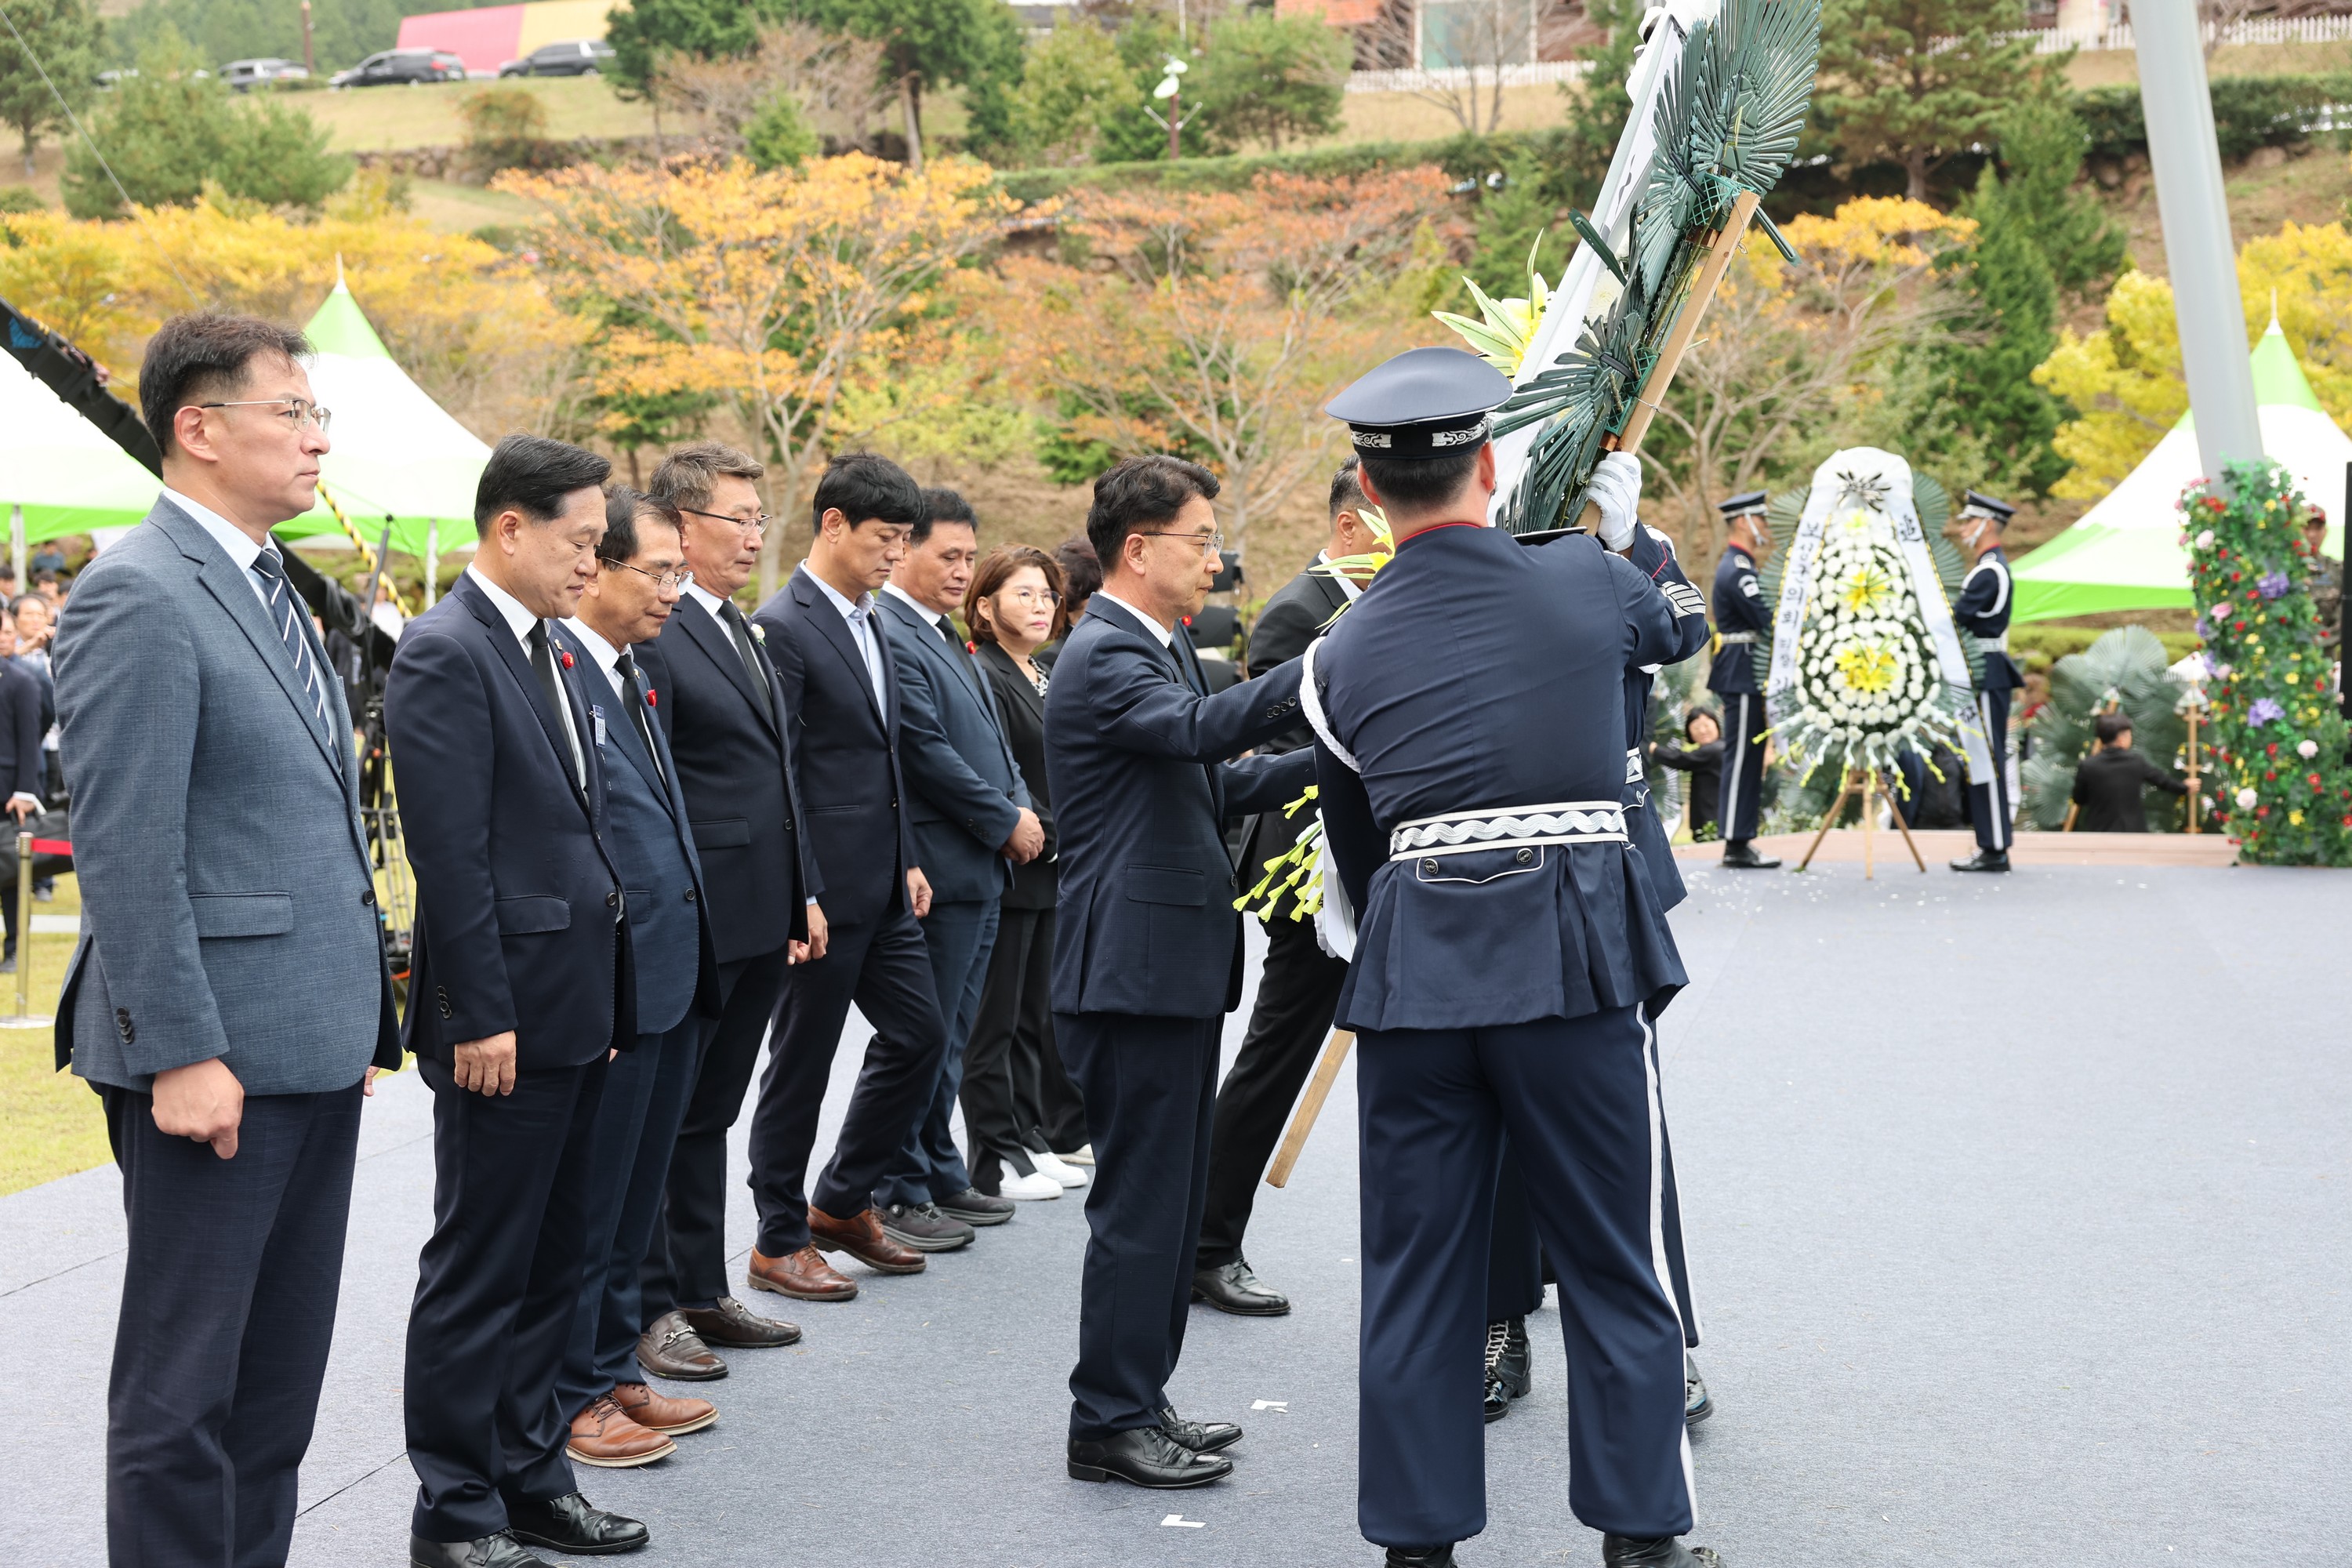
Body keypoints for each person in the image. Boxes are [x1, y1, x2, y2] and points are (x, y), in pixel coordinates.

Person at [1309, 347, 1713, 1568]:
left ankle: (1418, 1548)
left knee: (1418, 1270)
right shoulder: (1588, 577)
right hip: (1569, 962)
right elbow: (1677, 628)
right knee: (1606, 1252)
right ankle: (1641, 1539)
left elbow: (1358, 842)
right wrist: (1629, 529)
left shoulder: (1338, 654)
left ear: (1372, 496)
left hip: (1421, 974)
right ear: (1490, 467)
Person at [54, 311, 400, 1568]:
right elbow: (128, 852)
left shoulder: (261, 580)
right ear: (199, 430)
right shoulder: (139, 591)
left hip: (306, 1044)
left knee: (273, 1396)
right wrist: (182, 1053)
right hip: (215, 1060)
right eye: (294, 415)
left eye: (319, 418)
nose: (320, 442)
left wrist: (355, 1012)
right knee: (181, 1394)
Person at [389, 434, 651, 1568]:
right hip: (506, 1018)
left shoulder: (550, 648)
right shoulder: (448, 651)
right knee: (482, 1265)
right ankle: (454, 1508)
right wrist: (478, 1012)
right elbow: (449, 857)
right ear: (511, 528)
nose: (591, 563)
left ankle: (531, 1474)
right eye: (580, 541)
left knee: (561, 1258)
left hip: (581, 1003)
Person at [1046, 454, 1317, 1490]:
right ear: (1137, 548)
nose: (1215, 557)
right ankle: (1108, 1418)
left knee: (1165, 1198)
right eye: (1200, 539)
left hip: (1166, 969)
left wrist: (1340, 758)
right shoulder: (1109, 652)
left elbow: (1226, 777)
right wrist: (1332, 671)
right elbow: (1204, 732)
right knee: (1142, 1207)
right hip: (1133, 973)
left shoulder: (1156, 648)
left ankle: (1138, 1397)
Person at [635, 441, 818, 1380]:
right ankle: (652, 1301)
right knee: (664, 1116)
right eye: (734, 519)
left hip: (759, 909)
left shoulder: (740, 627)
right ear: (676, 524)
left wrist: (803, 890)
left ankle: (700, 1285)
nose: (755, 534)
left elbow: (782, 776)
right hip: (697, 911)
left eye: (758, 517)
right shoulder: (657, 631)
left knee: (709, 1110)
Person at [747, 452, 948, 1298]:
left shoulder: (875, 621)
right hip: (822, 891)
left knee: (921, 1035)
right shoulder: (783, 624)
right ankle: (777, 1235)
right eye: (884, 537)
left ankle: (839, 1200)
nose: (894, 555)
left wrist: (906, 852)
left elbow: (881, 748)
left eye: (905, 539)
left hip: (885, 881)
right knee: (802, 1060)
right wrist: (806, 888)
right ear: (832, 523)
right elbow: (784, 767)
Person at [554, 489, 726, 1469]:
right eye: (658, 570)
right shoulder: (564, 672)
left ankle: (614, 1363)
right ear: (600, 569)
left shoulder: (633, 671)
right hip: (613, 980)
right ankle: (576, 1389)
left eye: (678, 570)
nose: (676, 588)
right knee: (590, 1200)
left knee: (631, 1200)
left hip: (671, 970)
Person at [1192, 456, 1381, 1319]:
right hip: (1312, 872)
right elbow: (1268, 748)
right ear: (1349, 525)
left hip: (1385, 862)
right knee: (1278, 1054)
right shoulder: (1298, 612)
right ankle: (1209, 1242)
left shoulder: (1388, 601)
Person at [869, 487, 1040, 1248]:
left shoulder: (943, 634)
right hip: (941, 857)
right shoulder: (891, 632)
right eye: (949, 555)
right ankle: (896, 1183)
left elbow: (993, 742)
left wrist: (1021, 801)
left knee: (957, 1029)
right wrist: (1004, 817)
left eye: (970, 558)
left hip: (982, 865)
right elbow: (923, 748)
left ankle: (937, 1164)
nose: (962, 570)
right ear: (903, 550)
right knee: (926, 1030)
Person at [960, 545, 1088, 1200]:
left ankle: (1029, 1137)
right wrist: (1049, 830)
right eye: (1024, 595)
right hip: (1015, 862)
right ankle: (992, 1154)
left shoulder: (1038, 672)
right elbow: (997, 775)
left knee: (1034, 1016)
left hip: (1053, 868)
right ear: (985, 606)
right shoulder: (985, 674)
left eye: (1047, 596)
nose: (1041, 607)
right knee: (994, 1021)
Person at [1948, 489, 2024, 873]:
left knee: (1985, 758)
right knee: (1981, 757)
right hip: (1983, 668)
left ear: (1987, 524)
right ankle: (1990, 843)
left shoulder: (1988, 571)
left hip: (1985, 668)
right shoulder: (1989, 568)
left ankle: (1994, 846)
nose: (1962, 530)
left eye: (1968, 521)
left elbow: (1957, 618)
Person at [1708, 491, 1778, 868]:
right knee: (1742, 759)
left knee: (1749, 757)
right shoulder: (1738, 568)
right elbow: (1764, 618)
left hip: (1745, 669)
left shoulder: (1742, 566)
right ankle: (1736, 842)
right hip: (1742, 669)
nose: (1765, 526)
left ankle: (1740, 839)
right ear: (1742, 522)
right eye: (1760, 519)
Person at [0, 616, 44, 970]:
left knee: (13, 877)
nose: (3, 638)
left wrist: (25, 791)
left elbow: (31, 742)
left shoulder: (21, 682)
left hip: (8, 795)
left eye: (8, 632)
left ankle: (15, 948)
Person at [2071, 711, 2188, 831]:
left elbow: (2079, 799)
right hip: (2133, 831)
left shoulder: (2088, 765)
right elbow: (2163, 781)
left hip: (2100, 831)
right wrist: (2185, 787)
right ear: (2121, 738)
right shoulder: (2136, 763)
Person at [1650, 708, 1724, 840]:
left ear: (1717, 725)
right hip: (1711, 818)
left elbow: (1681, 760)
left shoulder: (1716, 750)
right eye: (1696, 728)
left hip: (1713, 820)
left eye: (1707, 725)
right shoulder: (1717, 749)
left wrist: (1654, 750)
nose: (1702, 731)